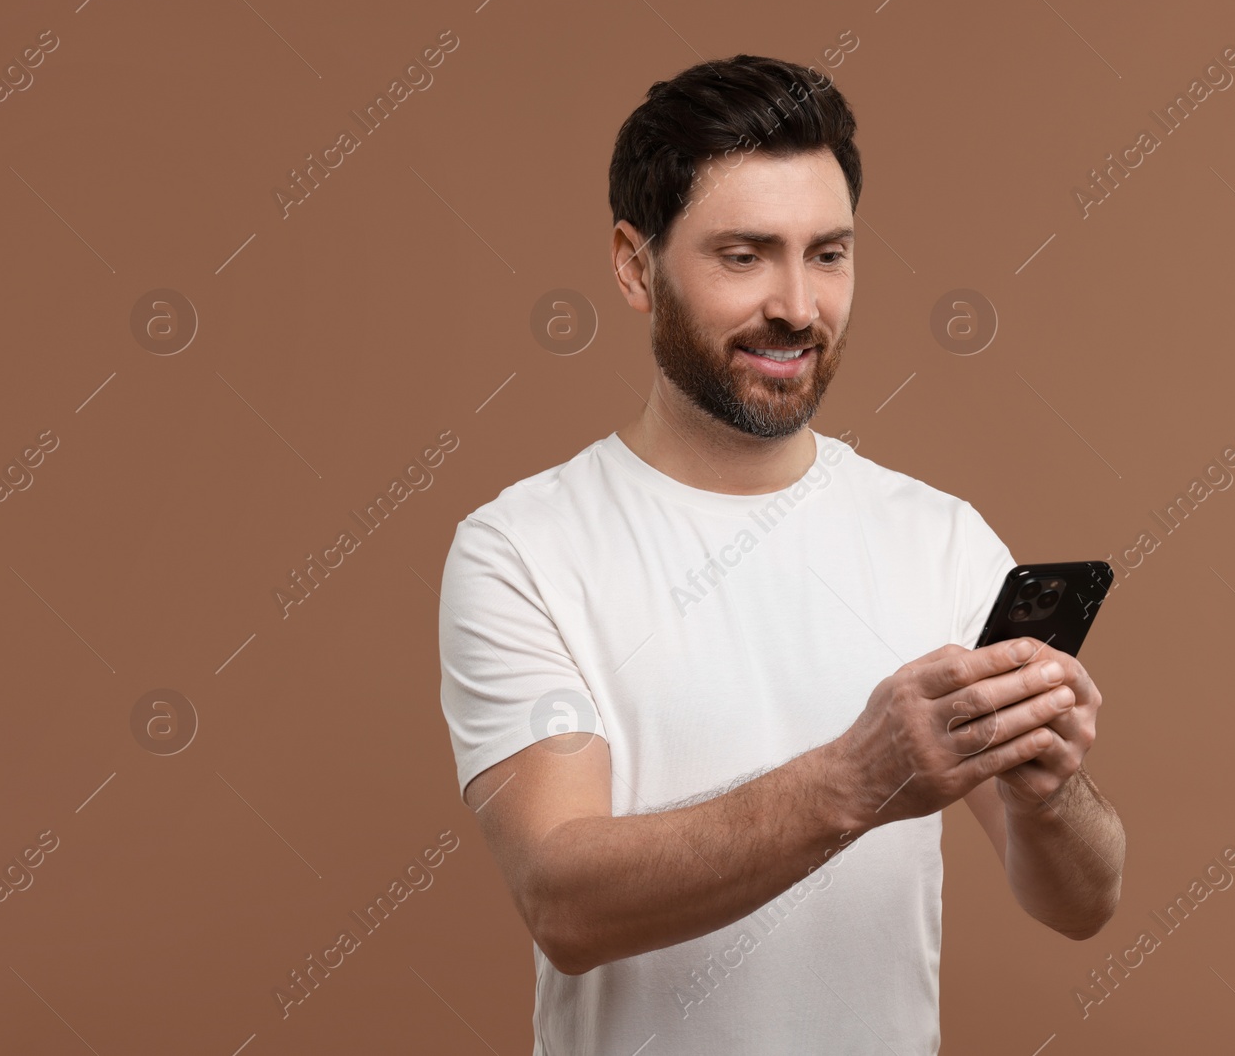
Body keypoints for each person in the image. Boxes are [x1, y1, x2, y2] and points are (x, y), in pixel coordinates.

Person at [437, 53, 1124, 1055]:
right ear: (635, 265)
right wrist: (857, 775)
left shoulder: (937, 537)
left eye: (828, 254)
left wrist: (1051, 793)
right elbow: (564, 898)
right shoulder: (523, 549)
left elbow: (1080, 905)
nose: (798, 306)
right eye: (744, 255)